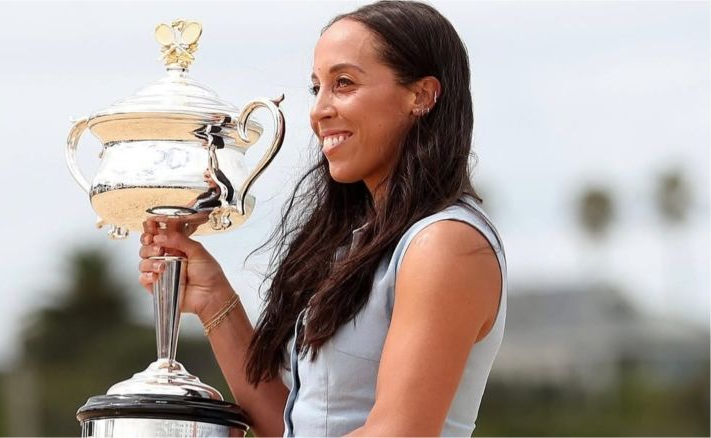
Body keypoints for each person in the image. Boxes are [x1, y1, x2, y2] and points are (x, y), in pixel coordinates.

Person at [138, 1, 506, 436]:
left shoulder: (444, 243)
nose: (318, 110)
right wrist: (214, 299)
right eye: (317, 88)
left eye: (344, 83)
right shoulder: (362, 243)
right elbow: (294, 429)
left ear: (421, 96)